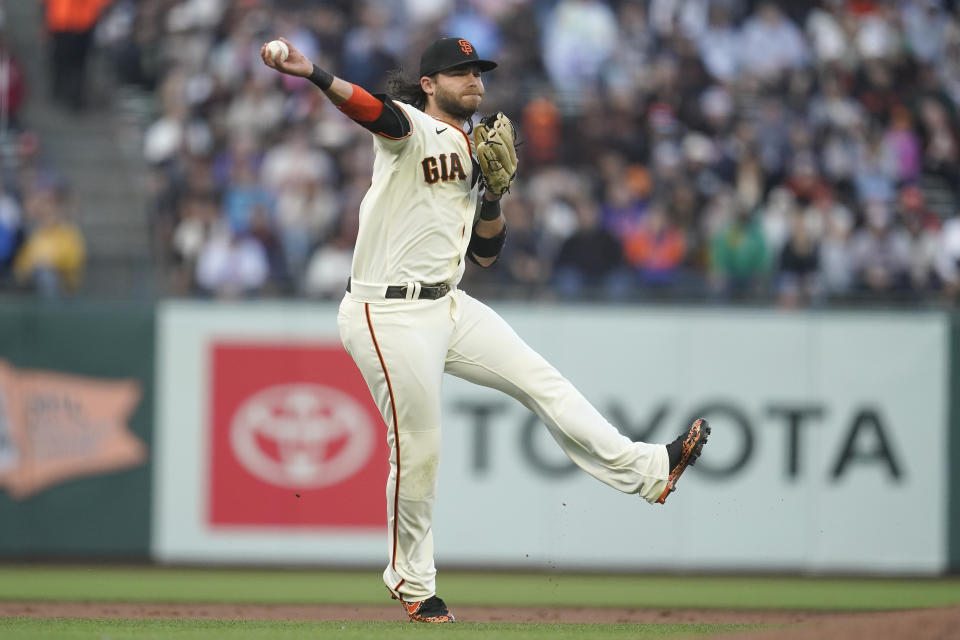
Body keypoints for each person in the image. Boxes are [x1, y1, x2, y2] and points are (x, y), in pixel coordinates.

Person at [261, 35, 710, 624]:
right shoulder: (413, 129)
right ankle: (413, 582)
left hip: (448, 303)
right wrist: (316, 73)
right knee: (420, 449)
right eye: (459, 71)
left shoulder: (474, 150)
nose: (474, 80)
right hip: (385, 313)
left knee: (541, 381)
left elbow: (489, 253)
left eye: (478, 72)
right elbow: (371, 109)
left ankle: (650, 470)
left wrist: (492, 193)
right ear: (429, 84)